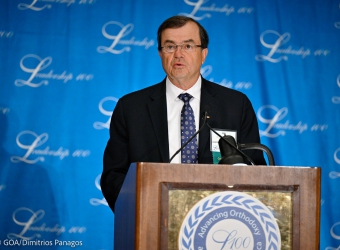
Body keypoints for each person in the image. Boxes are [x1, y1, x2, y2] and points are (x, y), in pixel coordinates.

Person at [101, 15, 266, 211]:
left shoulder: (236, 105)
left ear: (203, 54)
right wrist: (140, 211)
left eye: (188, 46)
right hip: (152, 220)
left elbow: (255, 168)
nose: (178, 54)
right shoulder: (131, 108)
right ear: (161, 54)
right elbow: (114, 175)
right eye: (170, 47)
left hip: (220, 220)